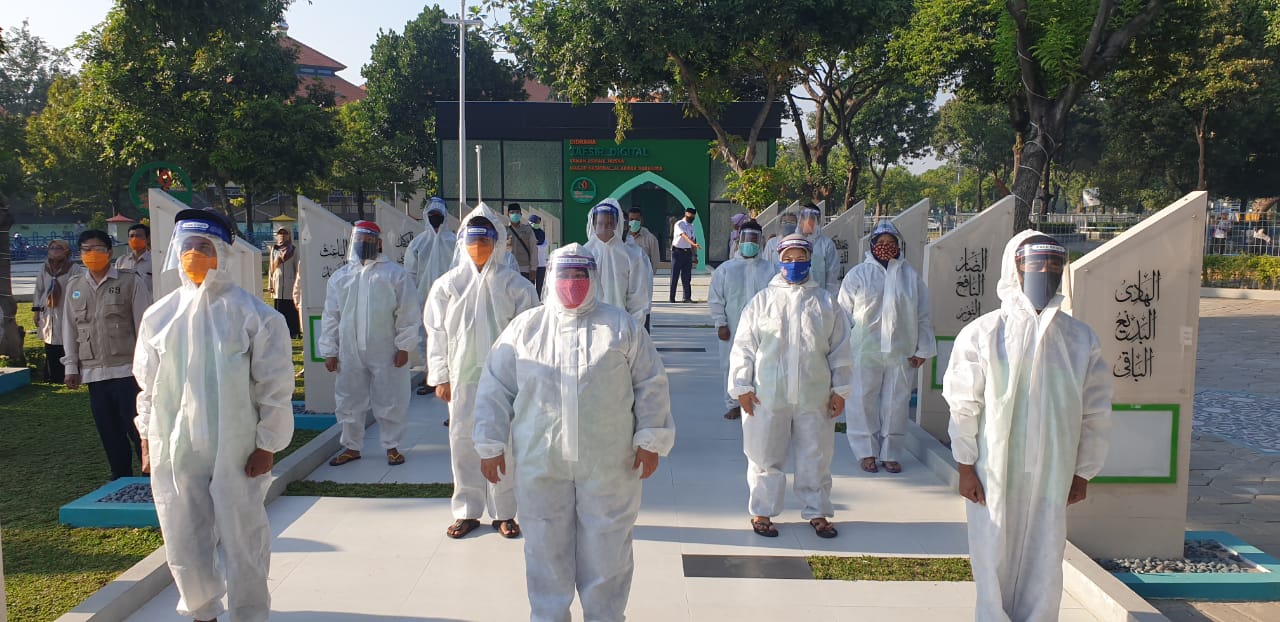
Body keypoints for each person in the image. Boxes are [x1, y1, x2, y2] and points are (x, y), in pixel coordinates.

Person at [472, 244, 674, 622]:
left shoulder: (619, 327)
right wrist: (490, 444)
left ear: (593, 277)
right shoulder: (525, 328)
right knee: (545, 550)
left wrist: (650, 439)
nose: (573, 282)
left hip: (609, 463)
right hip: (541, 462)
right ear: (551, 278)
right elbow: (495, 387)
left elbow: (651, 382)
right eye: (565, 275)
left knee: (609, 549)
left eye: (581, 274)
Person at [134, 209, 295, 622]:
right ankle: (201, 610)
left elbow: (274, 386)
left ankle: (249, 613)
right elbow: (148, 387)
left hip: (237, 449)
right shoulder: (159, 316)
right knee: (182, 535)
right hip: (178, 448)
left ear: (222, 254)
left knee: (243, 538)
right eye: (187, 247)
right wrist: (147, 438)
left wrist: (267, 444)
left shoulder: (255, 316)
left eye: (203, 247)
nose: (193, 255)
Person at [944, 232, 1112, 622]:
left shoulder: (1078, 338)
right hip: (993, 470)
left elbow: (1095, 410)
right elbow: (963, 404)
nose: (1044, 271)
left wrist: (1083, 471)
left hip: (1052, 471)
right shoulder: (985, 334)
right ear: (1014, 267)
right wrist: (966, 465)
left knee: (1045, 556)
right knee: (991, 555)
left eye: (1054, 264)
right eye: (1034, 263)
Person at [424, 204, 538, 540]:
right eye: (473, 241)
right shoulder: (447, 285)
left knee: (506, 444)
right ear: (462, 243)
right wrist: (440, 374)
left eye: (485, 241)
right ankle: (467, 510)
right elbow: (436, 332)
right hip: (462, 378)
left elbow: (530, 337)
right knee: (462, 441)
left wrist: (528, 380)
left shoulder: (515, 286)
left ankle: (505, 511)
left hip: (506, 381)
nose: (479, 248)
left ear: (498, 242)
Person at [729, 234, 852, 539]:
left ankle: (818, 511)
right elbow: (743, 346)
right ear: (779, 260)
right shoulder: (763, 301)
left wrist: (841, 390)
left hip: (815, 395)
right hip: (767, 395)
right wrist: (741, 386)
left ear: (810, 260)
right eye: (788, 259)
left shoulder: (825, 302)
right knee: (764, 454)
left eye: (800, 259)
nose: (794, 265)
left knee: (816, 455)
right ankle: (762, 511)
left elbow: (841, 350)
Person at [320, 221, 421, 467]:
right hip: (349, 352)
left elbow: (407, 312)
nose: (364, 244)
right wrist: (329, 350)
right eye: (360, 239)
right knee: (348, 399)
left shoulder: (394, 275)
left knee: (390, 398)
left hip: (386, 349)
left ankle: (392, 447)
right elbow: (331, 316)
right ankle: (351, 447)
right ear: (353, 243)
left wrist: (404, 346)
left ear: (379, 243)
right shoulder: (341, 277)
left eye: (369, 239)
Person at [840, 220, 936, 474]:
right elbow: (842, 315)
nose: (885, 247)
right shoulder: (858, 274)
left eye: (890, 243)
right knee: (861, 400)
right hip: (863, 351)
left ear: (898, 246)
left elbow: (923, 315)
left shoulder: (910, 276)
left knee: (897, 402)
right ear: (872, 245)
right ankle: (866, 452)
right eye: (880, 243)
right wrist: (841, 351)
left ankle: (891, 452)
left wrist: (923, 349)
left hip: (901, 352)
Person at [63, 229, 152, 480]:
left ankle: (150, 477)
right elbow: (70, 328)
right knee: (109, 431)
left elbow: (144, 327)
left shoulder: (130, 281)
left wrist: (146, 369)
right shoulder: (75, 286)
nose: (92, 254)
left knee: (137, 427)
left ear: (110, 252)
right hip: (94, 373)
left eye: (98, 249)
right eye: (86, 249)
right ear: (80, 254)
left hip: (127, 370)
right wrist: (71, 366)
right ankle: (120, 477)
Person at [708, 220, 773, 420]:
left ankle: (759, 400)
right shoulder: (726, 269)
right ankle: (733, 403)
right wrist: (720, 323)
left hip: (763, 328)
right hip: (733, 326)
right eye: (746, 239)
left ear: (760, 242)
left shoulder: (771, 269)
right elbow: (716, 298)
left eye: (754, 239)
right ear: (739, 241)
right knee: (730, 365)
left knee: (762, 363)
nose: (750, 243)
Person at [404, 197, 456, 395]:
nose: (436, 219)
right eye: (432, 215)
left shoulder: (453, 241)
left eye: (438, 215)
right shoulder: (418, 243)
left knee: (450, 336)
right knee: (425, 338)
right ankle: (430, 376)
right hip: (423, 298)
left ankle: (450, 375)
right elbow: (410, 273)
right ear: (427, 216)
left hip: (450, 298)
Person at [583, 199, 650, 325]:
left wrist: (633, 328)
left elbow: (638, 298)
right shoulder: (585, 254)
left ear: (617, 225)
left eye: (610, 223)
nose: (605, 228)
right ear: (593, 225)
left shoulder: (632, 255)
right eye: (600, 223)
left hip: (621, 324)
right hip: (591, 325)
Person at [32, 239, 80, 383]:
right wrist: (36, 311)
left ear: (66, 250)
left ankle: (67, 374)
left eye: (58, 248)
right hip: (49, 312)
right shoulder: (44, 268)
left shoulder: (74, 268)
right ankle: (52, 375)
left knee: (66, 341)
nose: (54, 250)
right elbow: (39, 290)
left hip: (66, 311)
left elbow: (78, 289)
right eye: (52, 248)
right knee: (50, 341)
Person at [268, 227, 302, 339]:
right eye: (280, 233)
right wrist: (270, 285)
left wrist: (297, 284)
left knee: (291, 310)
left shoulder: (294, 250)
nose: (282, 235)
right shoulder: (275, 250)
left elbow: (298, 268)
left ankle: (293, 332)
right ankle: (280, 331)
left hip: (290, 284)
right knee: (279, 310)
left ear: (289, 235)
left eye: (285, 233)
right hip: (277, 285)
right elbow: (271, 269)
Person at [670, 206, 699, 303]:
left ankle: (687, 297)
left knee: (687, 277)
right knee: (675, 275)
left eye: (693, 216)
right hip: (677, 252)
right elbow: (684, 236)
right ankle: (672, 298)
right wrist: (693, 244)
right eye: (690, 216)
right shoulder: (679, 224)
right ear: (686, 214)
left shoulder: (692, 226)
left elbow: (693, 239)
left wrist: (695, 255)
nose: (692, 218)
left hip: (687, 253)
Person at [115, 223, 153, 294]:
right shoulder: (121, 261)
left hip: (148, 303)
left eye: (139, 236)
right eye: (131, 236)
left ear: (147, 239)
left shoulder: (154, 261)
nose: (134, 239)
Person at [506, 203, 538, 283]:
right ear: (508, 214)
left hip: (525, 269)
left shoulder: (528, 230)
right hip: (508, 268)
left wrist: (533, 268)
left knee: (526, 294)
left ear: (521, 214)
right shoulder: (504, 230)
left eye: (517, 212)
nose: (515, 214)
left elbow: (533, 249)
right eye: (512, 212)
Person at [625, 206, 661, 273]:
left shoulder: (650, 239)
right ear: (628, 220)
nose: (634, 222)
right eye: (631, 219)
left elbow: (655, 262)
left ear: (641, 220)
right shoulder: (623, 237)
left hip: (643, 278)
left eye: (637, 220)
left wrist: (649, 278)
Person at [528, 214, 549, 297]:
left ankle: (539, 301)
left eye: (537, 222)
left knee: (540, 285)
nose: (537, 224)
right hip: (530, 265)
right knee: (530, 285)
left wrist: (534, 247)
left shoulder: (541, 234)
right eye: (535, 222)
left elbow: (544, 247)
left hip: (541, 264)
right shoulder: (526, 233)